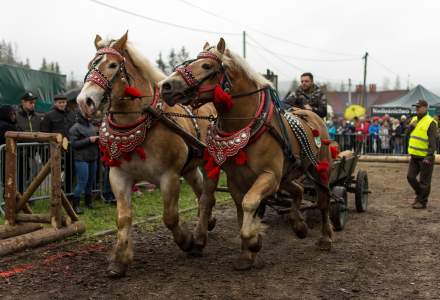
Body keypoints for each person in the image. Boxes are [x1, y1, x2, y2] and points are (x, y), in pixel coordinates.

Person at [41, 94, 76, 197]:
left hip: (70, 148)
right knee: (57, 173)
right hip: (55, 149)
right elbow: (44, 132)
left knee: (70, 172)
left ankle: (68, 194)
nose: (62, 104)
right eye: (59, 103)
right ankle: (56, 195)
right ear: (55, 103)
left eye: (64, 102)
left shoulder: (72, 114)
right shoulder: (49, 116)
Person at [406, 100, 437, 209]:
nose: (417, 108)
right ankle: (420, 195)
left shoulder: (431, 122)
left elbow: (433, 142)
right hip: (414, 156)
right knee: (410, 177)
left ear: (426, 108)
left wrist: (429, 155)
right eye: (416, 107)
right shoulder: (414, 119)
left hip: (425, 157)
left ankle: (422, 202)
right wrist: (411, 127)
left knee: (424, 181)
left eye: (419, 107)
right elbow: (406, 134)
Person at [69, 112, 99, 214]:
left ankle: (88, 202)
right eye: (87, 115)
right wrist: (89, 140)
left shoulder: (91, 126)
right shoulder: (75, 128)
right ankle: (75, 205)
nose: (90, 116)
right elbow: (74, 144)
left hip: (93, 157)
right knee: (82, 182)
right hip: (81, 158)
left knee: (90, 181)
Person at [16, 92, 45, 193]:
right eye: (30, 102)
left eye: (34, 102)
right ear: (23, 102)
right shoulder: (16, 115)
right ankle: (19, 197)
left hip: (34, 151)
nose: (33, 104)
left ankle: (27, 196)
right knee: (21, 175)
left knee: (36, 173)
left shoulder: (37, 117)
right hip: (20, 151)